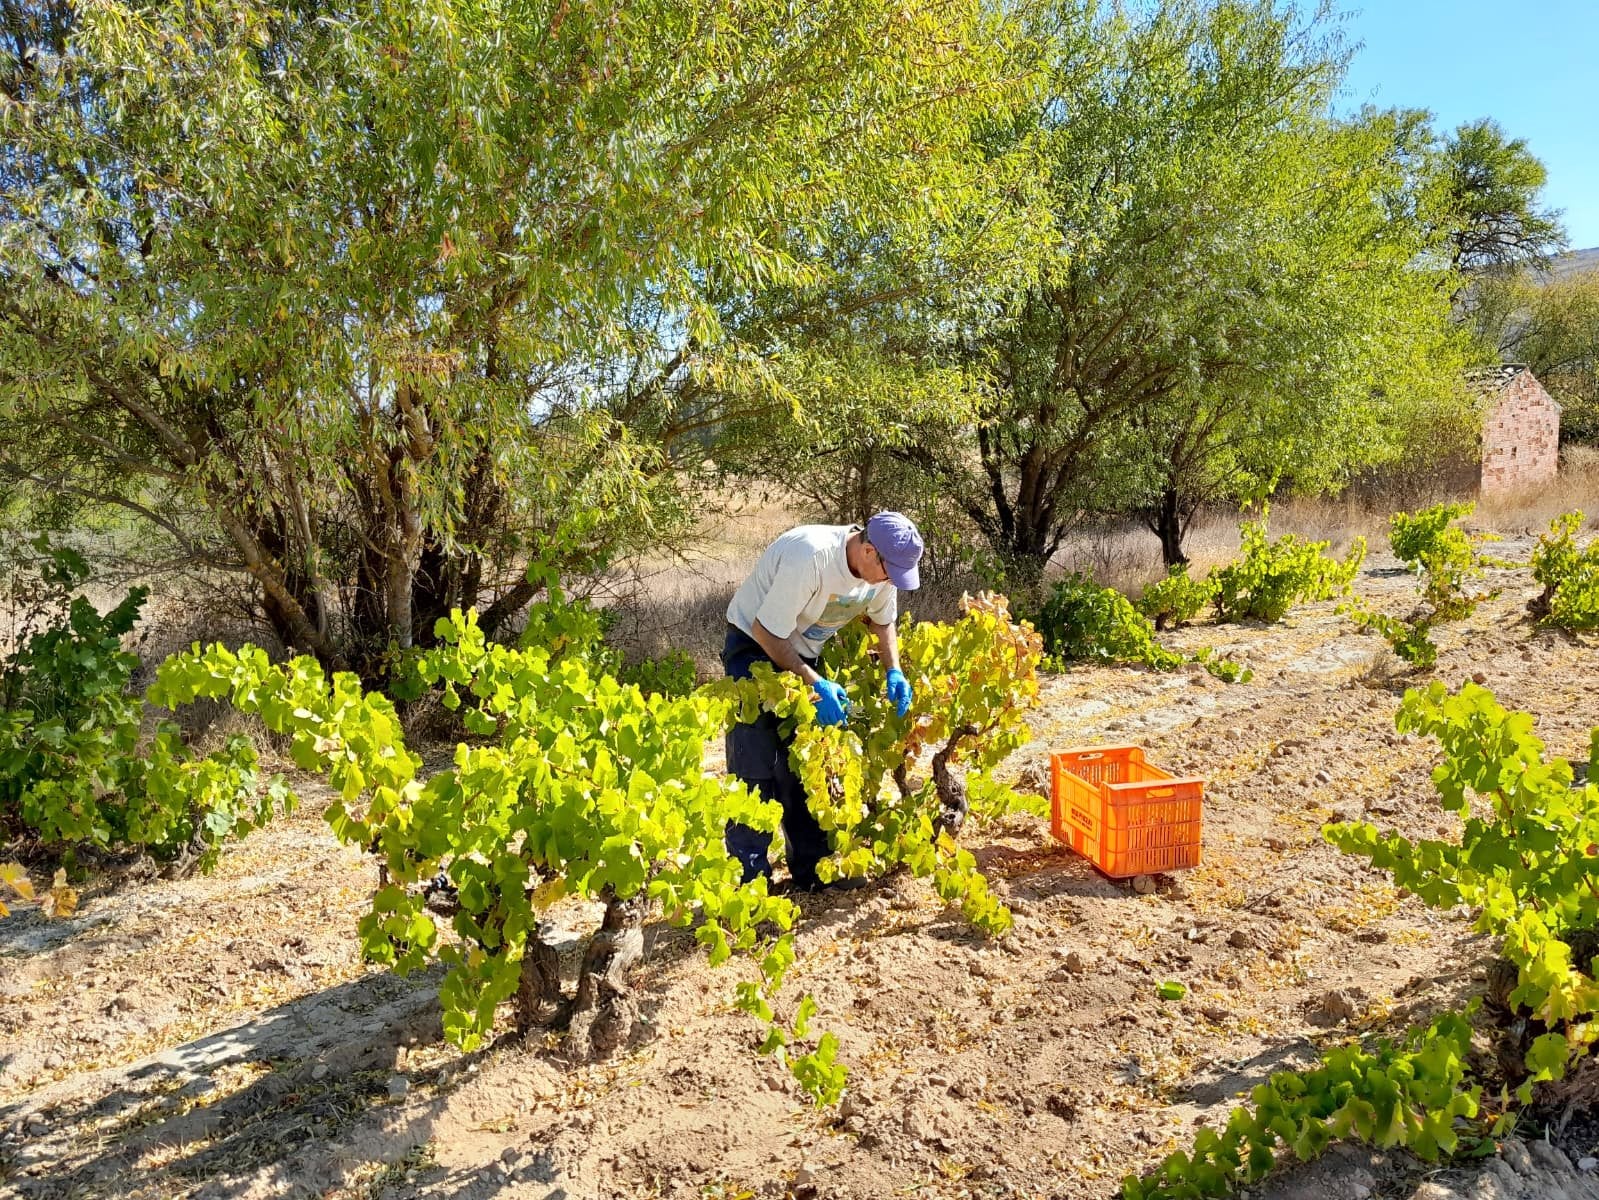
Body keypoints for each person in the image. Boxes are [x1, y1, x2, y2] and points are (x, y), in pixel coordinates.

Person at [722, 511, 924, 891]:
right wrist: (816, 684)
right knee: (755, 762)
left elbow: (884, 620)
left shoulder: (881, 570)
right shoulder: (811, 557)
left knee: (806, 762)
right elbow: (766, 631)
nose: (890, 581)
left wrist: (893, 669)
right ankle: (750, 882)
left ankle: (813, 871)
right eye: (889, 572)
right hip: (753, 645)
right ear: (867, 551)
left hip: (801, 652)